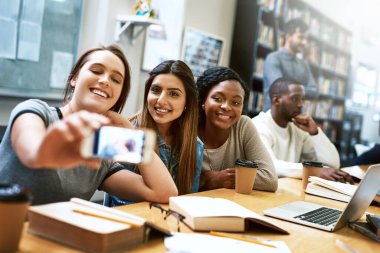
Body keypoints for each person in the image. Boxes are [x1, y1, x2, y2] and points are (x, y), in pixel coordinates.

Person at [0, 44, 178, 205]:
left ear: (118, 96)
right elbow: (32, 151)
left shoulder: (102, 151)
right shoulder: (35, 111)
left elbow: (165, 193)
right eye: (96, 70)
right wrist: (49, 148)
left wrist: (133, 135)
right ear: (75, 78)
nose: (105, 81)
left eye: (116, 79)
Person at [108, 60, 203, 206]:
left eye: (173, 94)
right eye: (156, 90)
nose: (161, 100)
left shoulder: (195, 146)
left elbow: (188, 202)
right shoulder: (126, 135)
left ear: (187, 103)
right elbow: (121, 202)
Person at [252, 77, 354, 183]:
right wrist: (314, 171)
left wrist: (315, 132)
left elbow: (333, 164)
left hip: (289, 189)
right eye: (295, 99)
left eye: (302, 99)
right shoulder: (258, 126)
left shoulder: (298, 127)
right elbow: (270, 165)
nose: (301, 105)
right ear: (276, 100)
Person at [197, 66, 277, 192]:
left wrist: (227, 178)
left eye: (235, 103)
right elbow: (178, 182)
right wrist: (208, 180)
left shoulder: (243, 126)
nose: (226, 107)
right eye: (217, 99)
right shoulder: (189, 129)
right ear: (203, 101)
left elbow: (269, 179)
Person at [263, 18, 318, 111]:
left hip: (296, 121)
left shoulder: (304, 64)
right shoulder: (273, 58)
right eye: (301, 37)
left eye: (306, 39)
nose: (305, 42)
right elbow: (280, 89)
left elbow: (315, 92)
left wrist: (293, 90)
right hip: (273, 120)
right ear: (288, 37)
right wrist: (303, 91)